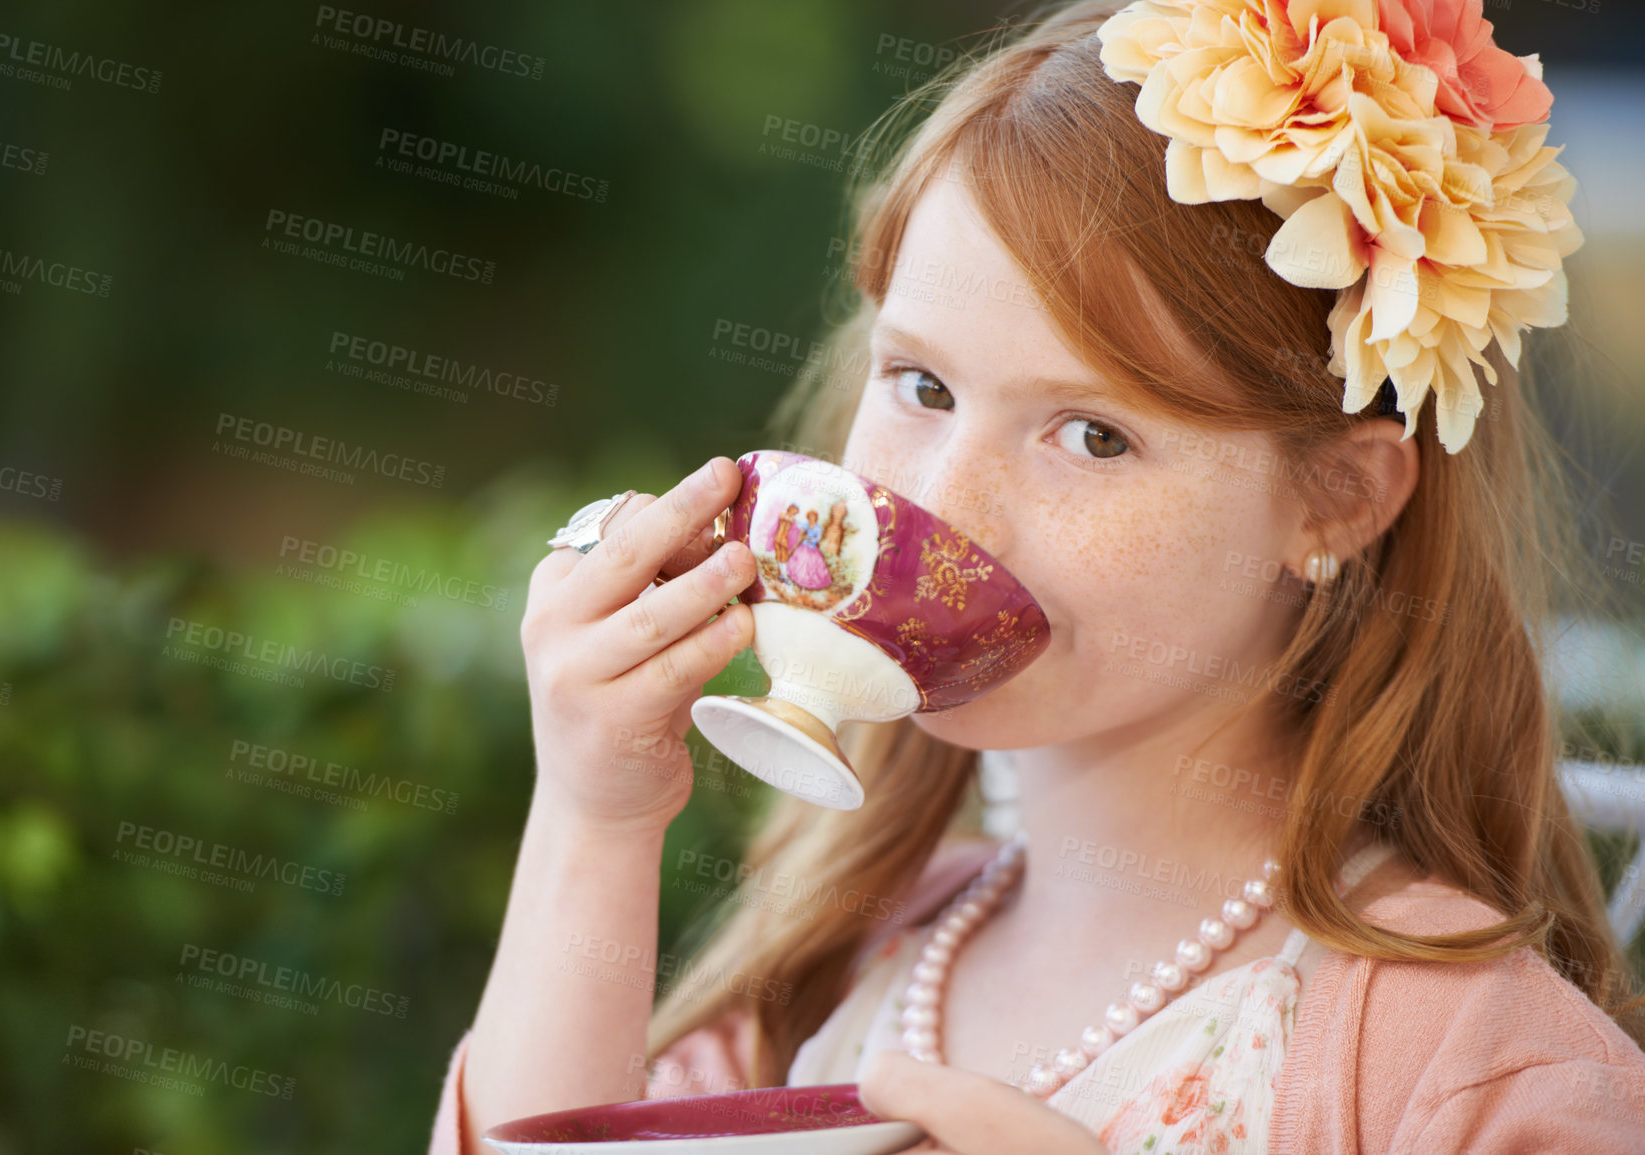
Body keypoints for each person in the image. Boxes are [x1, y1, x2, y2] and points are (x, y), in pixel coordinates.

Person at [433, 0, 1645, 1151]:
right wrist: (596, 820)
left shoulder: (1479, 1068)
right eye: (921, 386)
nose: (945, 503)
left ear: (1337, 500)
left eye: (1094, 435)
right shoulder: (837, 966)